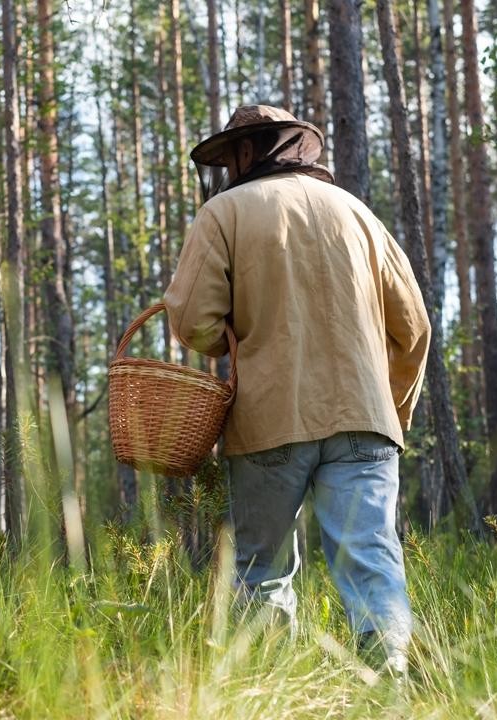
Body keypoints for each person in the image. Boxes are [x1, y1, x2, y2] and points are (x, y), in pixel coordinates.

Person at [163, 105, 431, 675]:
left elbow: (191, 321)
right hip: (365, 418)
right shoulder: (359, 214)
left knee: (260, 569)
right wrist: (392, 408)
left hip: (269, 418)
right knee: (371, 558)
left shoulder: (224, 212)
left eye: (231, 156)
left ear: (247, 151)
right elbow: (414, 328)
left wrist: (235, 340)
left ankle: (272, 691)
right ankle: (391, 684)